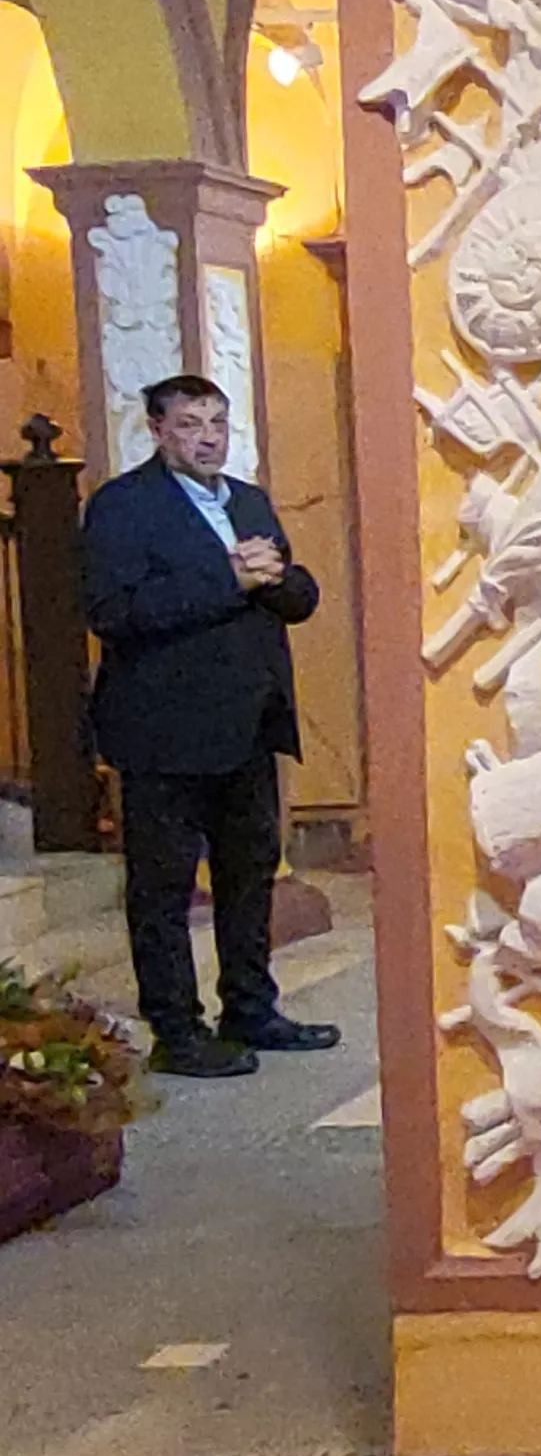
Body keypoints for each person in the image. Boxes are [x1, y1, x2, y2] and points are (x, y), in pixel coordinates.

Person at [81, 374, 333, 1079]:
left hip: (248, 724)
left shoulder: (246, 500)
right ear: (158, 431)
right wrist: (231, 580)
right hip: (164, 731)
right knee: (163, 889)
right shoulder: (124, 506)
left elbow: (295, 595)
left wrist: (279, 578)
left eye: (217, 423)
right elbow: (114, 612)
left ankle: (250, 1008)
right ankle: (177, 1030)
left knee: (247, 877)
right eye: (190, 425)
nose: (208, 439)